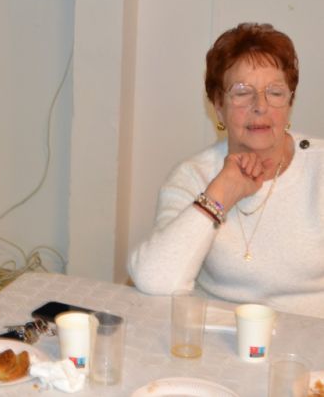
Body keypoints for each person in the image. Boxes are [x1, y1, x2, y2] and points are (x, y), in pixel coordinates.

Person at [128, 22, 324, 318]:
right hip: (218, 338)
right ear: (219, 106)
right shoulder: (193, 175)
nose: (260, 106)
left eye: (275, 92)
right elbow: (155, 279)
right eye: (242, 92)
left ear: (289, 103)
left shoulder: (319, 169)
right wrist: (220, 194)